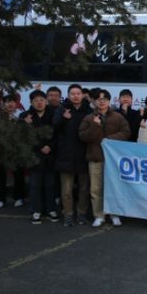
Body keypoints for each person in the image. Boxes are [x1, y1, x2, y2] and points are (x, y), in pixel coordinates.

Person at [79, 89, 131, 228]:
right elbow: (83, 136)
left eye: (105, 99)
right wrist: (94, 126)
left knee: (113, 188)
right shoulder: (89, 118)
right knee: (96, 189)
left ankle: (114, 214)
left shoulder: (118, 117)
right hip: (95, 157)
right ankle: (99, 215)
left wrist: (109, 139)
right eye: (99, 99)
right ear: (94, 101)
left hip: (113, 160)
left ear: (109, 101)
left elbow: (126, 132)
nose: (101, 102)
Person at [53, 84, 93, 227]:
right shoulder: (62, 109)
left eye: (78, 93)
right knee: (66, 189)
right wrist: (64, 119)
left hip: (84, 154)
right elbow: (54, 128)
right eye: (72, 93)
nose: (75, 96)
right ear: (68, 95)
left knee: (84, 189)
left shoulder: (89, 111)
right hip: (66, 154)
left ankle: (82, 214)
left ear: (82, 95)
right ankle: (68, 215)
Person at [20, 90, 58, 224]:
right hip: (34, 156)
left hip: (50, 156)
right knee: (35, 185)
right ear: (31, 102)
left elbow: (58, 134)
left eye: (42, 100)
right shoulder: (25, 116)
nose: (39, 103)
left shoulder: (54, 114)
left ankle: (51, 209)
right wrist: (27, 126)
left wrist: (50, 146)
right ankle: (36, 211)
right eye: (36, 100)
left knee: (50, 185)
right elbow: (23, 137)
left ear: (46, 101)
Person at [0, 93, 26, 208]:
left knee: (18, 175)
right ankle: (0, 199)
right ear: (3, 104)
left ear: (16, 103)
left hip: (16, 151)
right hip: (1, 151)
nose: (10, 104)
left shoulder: (20, 117)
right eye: (7, 102)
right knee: (0, 175)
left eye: (12, 101)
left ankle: (19, 197)